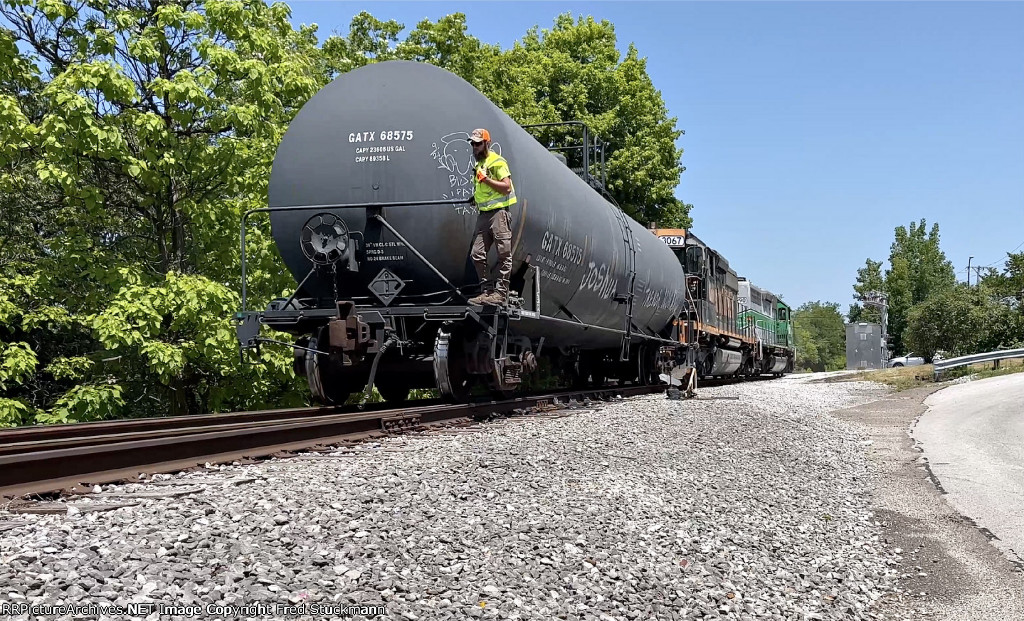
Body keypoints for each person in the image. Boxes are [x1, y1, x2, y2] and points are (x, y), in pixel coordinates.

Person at [466, 128, 517, 306]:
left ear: (487, 143)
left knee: (504, 255)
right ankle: (486, 292)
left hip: (499, 214)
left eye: (478, 143)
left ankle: (501, 294)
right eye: (472, 143)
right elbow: (484, 189)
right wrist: (476, 198)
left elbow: (506, 187)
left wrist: (486, 180)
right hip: (484, 215)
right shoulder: (479, 165)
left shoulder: (497, 162)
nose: (474, 147)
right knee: (477, 253)